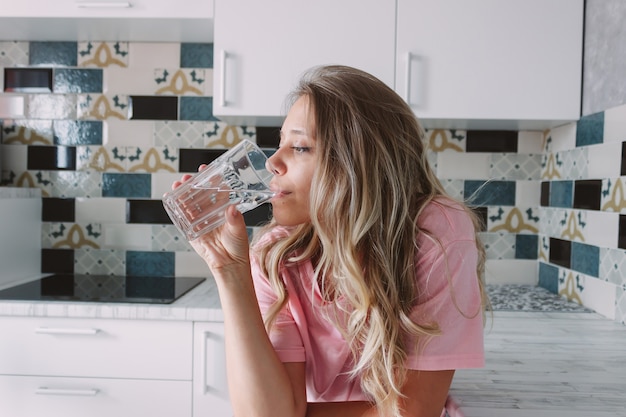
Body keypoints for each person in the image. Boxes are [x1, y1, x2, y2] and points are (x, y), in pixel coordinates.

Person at [173, 65, 488, 417]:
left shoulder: (436, 232)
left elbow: (411, 411)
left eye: (301, 147)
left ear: (361, 162)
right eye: (280, 144)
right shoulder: (275, 256)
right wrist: (229, 270)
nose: (273, 162)